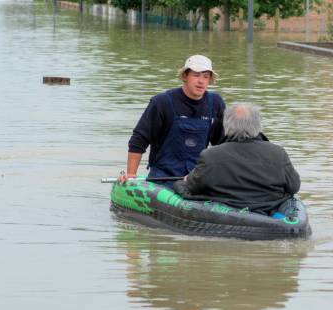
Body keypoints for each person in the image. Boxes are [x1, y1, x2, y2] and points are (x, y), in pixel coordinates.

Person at [173, 103, 300, 215]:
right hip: (268, 214)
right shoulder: (278, 153)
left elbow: (191, 189)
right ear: (258, 125)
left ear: (227, 125)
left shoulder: (210, 155)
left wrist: (183, 182)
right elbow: (294, 186)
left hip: (223, 218)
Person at [119, 54, 226, 186]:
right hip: (163, 178)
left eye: (206, 76)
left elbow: (222, 144)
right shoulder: (162, 102)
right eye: (196, 75)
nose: (201, 81)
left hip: (196, 177)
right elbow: (139, 139)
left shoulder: (216, 102)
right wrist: (131, 175)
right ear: (185, 76)